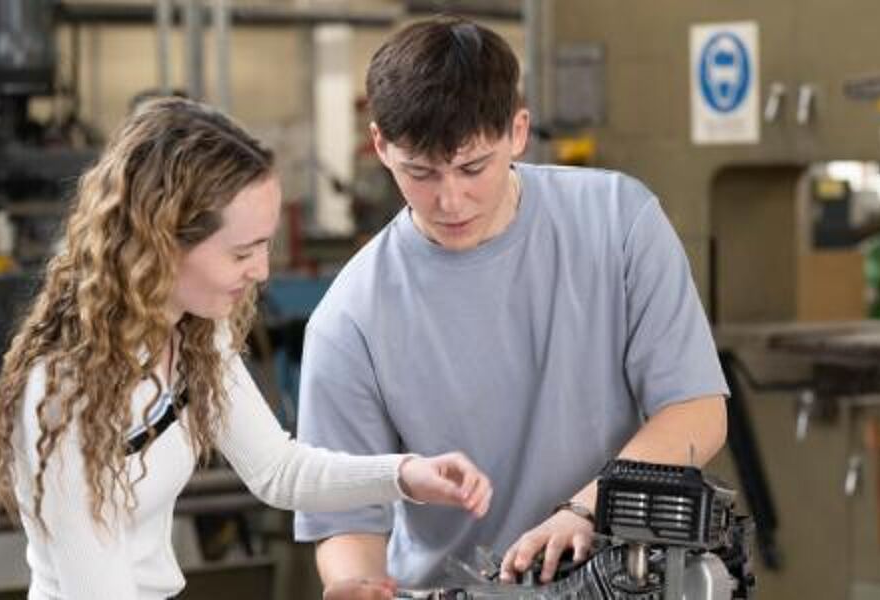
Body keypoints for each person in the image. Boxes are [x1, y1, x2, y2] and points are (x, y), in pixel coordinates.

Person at [0, 97, 493, 600]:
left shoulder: (195, 335)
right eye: (241, 252)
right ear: (163, 244)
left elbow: (278, 470)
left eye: (264, 244)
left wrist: (406, 474)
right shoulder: (65, 393)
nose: (261, 271)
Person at [294, 17, 730, 598]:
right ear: (380, 146)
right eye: (419, 173)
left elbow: (697, 413)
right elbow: (347, 517)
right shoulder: (349, 320)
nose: (449, 199)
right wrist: (355, 584)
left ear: (518, 131)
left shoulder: (620, 224)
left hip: (625, 576)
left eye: (473, 167)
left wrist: (585, 511)